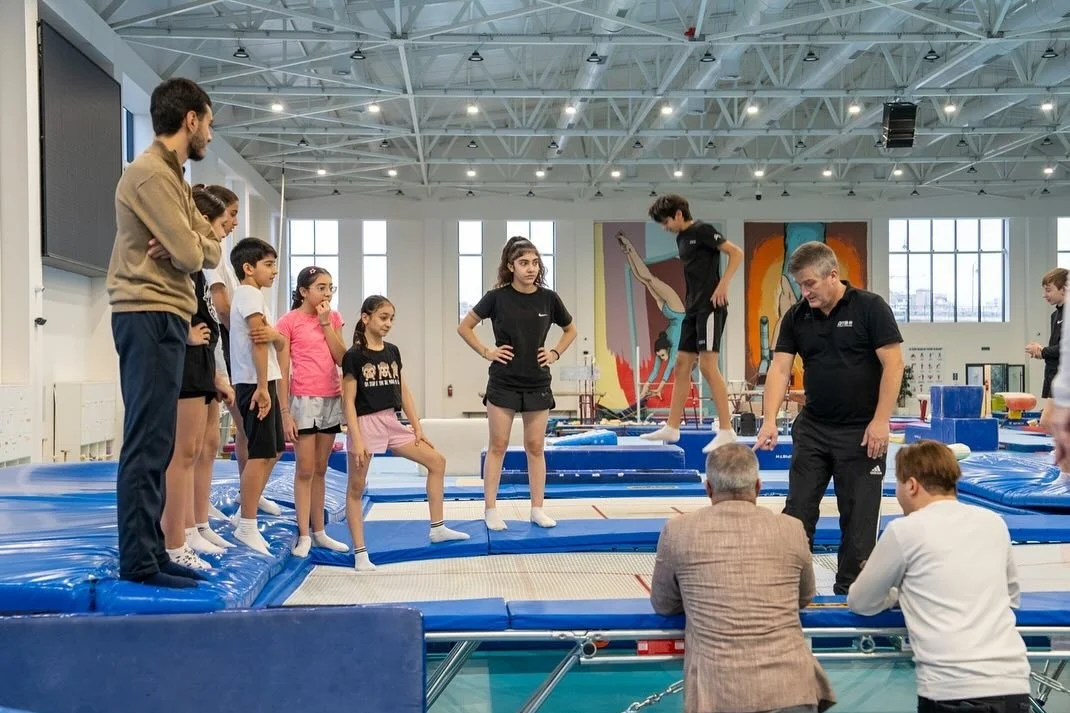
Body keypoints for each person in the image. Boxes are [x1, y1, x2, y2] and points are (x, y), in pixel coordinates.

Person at [105, 77, 221, 588]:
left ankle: (152, 550)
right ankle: (138, 561)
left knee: (160, 439)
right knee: (148, 441)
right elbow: (196, 255)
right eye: (209, 124)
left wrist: (185, 240)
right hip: (146, 312)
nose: (211, 136)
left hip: (166, 314)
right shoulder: (151, 174)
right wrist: (188, 245)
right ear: (190, 119)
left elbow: (211, 247)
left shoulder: (174, 177)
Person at [754, 241, 904, 595]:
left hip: (863, 433)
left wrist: (881, 420)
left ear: (832, 275)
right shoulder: (796, 317)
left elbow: (894, 364)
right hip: (815, 429)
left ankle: (852, 591)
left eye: (810, 284)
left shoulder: (870, 308)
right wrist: (769, 419)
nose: (804, 292)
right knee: (797, 512)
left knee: (859, 521)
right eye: (800, 285)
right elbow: (778, 369)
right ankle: (789, 587)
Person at [847, 441, 1031, 713]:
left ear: (911, 485)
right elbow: (1011, 598)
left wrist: (898, 594)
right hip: (1012, 683)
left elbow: (860, 601)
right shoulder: (994, 522)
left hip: (951, 689)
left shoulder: (905, 531)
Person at [650, 444, 835, 713]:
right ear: (758, 487)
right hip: (791, 689)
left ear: (709, 489)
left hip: (719, 694)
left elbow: (664, 604)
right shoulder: (792, 529)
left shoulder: (678, 530)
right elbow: (804, 597)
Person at [457, 236, 578, 531]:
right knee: (498, 445)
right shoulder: (496, 298)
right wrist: (487, 351)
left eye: (535, 263)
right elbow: (465, 327)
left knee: (535, 446)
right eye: (524, 263)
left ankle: (537, 508)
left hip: (537, 380)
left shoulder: (548, 299)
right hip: (504, 382)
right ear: (510, 266)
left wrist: (555, 352)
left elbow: (570, 329)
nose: (531, 268)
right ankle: (491, 509)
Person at [343, 295, 469, 571]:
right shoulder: (353, 356)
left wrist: (418, 427)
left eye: (391, 319)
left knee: (437, 461)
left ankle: (437, 528)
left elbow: (403, 391)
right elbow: (348, 401)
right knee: (356, 488)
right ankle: (360, 553)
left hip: (391, 421)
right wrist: (358, 438)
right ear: (366, 318)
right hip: (365, 423)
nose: (388, 324)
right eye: (383, 318)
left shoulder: (393, 351)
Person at [158, 187, 237, 572]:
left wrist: (218, 372)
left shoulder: (200, 272)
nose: (231, 226)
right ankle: (175, 539)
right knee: (183, 452)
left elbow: (209, 323)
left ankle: (193, 524)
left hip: (203, 361)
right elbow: (162, 304)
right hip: (185, 361)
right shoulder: (182, 263)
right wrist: (183, 333)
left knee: (203, 448)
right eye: (225, 220)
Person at [202, 185, 283, 518]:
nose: (233, 223)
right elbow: (226, 313)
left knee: (263, 446)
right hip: (233, 363)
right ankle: (233, 513)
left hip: (240, 362)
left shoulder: (246, 288)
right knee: (222, 441)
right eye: (230, 215)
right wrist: (258, 382)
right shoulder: (212, 261)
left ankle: (247, 502)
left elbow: (264, 335)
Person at [640, 194, 744, 454]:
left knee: (708, 366)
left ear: (678, 214)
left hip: (711, 306)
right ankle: (672, 426)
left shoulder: (703, 230)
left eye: (665, 222)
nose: (664, 228)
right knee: (681, 364)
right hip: (693, 309)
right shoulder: (681, 238)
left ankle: (726, 429)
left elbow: (736, 253)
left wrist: (723, 284)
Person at [277, 266, 350, 557]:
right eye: (321, 287)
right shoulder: (288, 322)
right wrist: (284, 411)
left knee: (321, 469)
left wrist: (325, 324)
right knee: (304, 469)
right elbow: (282, 369)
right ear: (304, 291)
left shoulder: (332, 318)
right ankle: (304, 534)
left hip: (331, 397)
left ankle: (320, 531)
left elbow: (342, 357)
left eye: (330, 287)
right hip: (303, 400)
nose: (327, 293)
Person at [228, 237, 288, 554]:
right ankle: (247, 525)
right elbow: (259, 341)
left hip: (265, 380)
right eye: (268, 264)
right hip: (255, 383)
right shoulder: (249, 294)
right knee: (261, 452)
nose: (274, 271)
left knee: (274, 448)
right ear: (248, 268)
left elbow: (273, 340)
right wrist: (263, 387)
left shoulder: (254, 295)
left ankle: (245, 511)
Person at [616, 230, 686, 401]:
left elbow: (659, 369)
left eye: (661, 356)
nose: (661, 358)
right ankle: (629, 248)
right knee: (646, 278)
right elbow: (666, 368)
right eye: (662, 356)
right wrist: (653, 388)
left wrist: (650, 388)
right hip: (677, 311)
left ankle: (628, 250)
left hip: (668, 311)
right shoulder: (674, 346)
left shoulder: (665, 347)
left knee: (645, 279)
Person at [1027, 268, 1069, 474]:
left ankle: (1066, 467)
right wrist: (1041, 352)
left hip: (1064, 376)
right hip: (1054, 374)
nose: (1045, 295)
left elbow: (1064, 349)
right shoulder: (1057, 315)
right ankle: (1066, 470)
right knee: (1050, 422)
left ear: (1064, 289)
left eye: (1049, 290)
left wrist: (1041, 350)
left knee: (1049, 421)